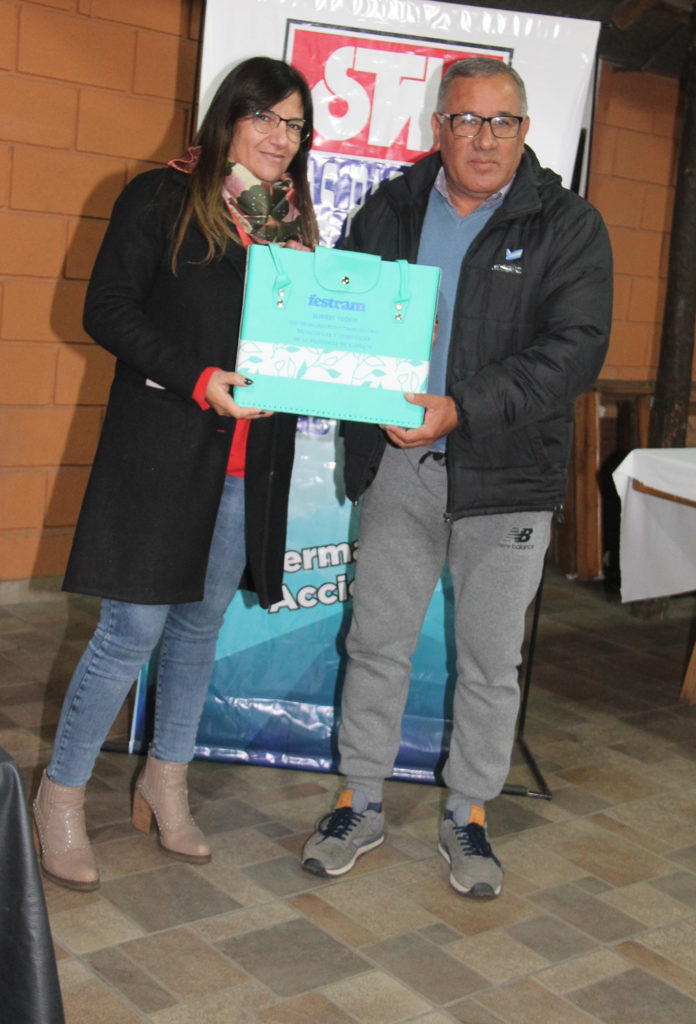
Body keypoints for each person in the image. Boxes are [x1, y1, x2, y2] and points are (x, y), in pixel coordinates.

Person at [302, 57, 612, 898]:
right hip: (400, 467)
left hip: (506, 479)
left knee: (489, 661)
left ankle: (469, 812)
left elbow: (574, 352)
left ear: (524, 131)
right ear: (438, 127)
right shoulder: (391, 207)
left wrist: (460, 408)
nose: (484, 138)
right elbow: (346, 313)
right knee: (376, 643)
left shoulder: (569, 226)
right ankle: (359, 799)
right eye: (467, 120)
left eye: (501, 122)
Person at [32, 57, 319, 892]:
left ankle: (165, 782)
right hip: (162, 451)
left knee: (199, 629)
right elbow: (106, 309)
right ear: (228, 118)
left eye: (295, 125)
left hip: (246, 463)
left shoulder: (293, 229)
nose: (280, 137)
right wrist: (196, 376)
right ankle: (61, 795)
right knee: (131, 630)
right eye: (265, 117)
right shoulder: (161, 197)